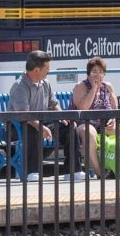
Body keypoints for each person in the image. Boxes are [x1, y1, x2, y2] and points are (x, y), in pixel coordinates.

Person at [9, 50, 84, 182]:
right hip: (18, 125)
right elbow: (24, 114)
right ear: (37, 70)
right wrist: (40, 126)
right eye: (47, 68)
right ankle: (32, 172)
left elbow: (53, 104)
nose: (49, 71)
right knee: (32, 128)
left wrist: (61, 115)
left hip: (41, 121)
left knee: (70, 128)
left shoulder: (46, 83)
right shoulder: (19, 86)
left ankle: (73, 170)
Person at [72, 56, 120, 178]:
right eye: (95, 71)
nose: (98, 75)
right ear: (88, 73)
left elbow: (114, 109)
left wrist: (113, 119)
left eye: (101, 72)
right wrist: (94, 88)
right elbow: (83, 109)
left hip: (104, 124)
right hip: (84, 123)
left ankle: (116, 166)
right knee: (89, 132)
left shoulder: (108, 87)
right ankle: (99, 172)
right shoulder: (80, 86)